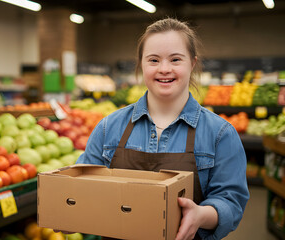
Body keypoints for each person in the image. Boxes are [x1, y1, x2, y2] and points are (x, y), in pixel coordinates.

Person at [75, 18, 249, 240]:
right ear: (141, 64)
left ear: (192, 63)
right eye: (154, 60)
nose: (164, 69)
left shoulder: (220, 134)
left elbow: (231, 201)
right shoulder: (109, 127)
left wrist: (200, 215)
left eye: (175, 59)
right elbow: (83, 186)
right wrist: (75, 211)